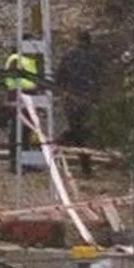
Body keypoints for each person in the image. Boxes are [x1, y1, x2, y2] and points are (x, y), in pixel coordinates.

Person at [56, 30, 104, 174]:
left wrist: (62, 90)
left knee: (77, 129)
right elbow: (101, 76)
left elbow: (60, 76)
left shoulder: (69, 55)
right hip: (90, 96)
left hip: (72, 96)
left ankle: (82, 160)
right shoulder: (96, 56)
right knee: (86, 131)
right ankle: (85, 163)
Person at [3, 50, 40, 171]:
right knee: (17, 132)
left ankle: (27, 161)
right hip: (18, 96)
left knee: (27, 132)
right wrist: (31, 85)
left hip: (29, 99)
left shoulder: (30, 61)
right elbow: (11, 80)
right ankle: (15, 163)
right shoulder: (15, 59)